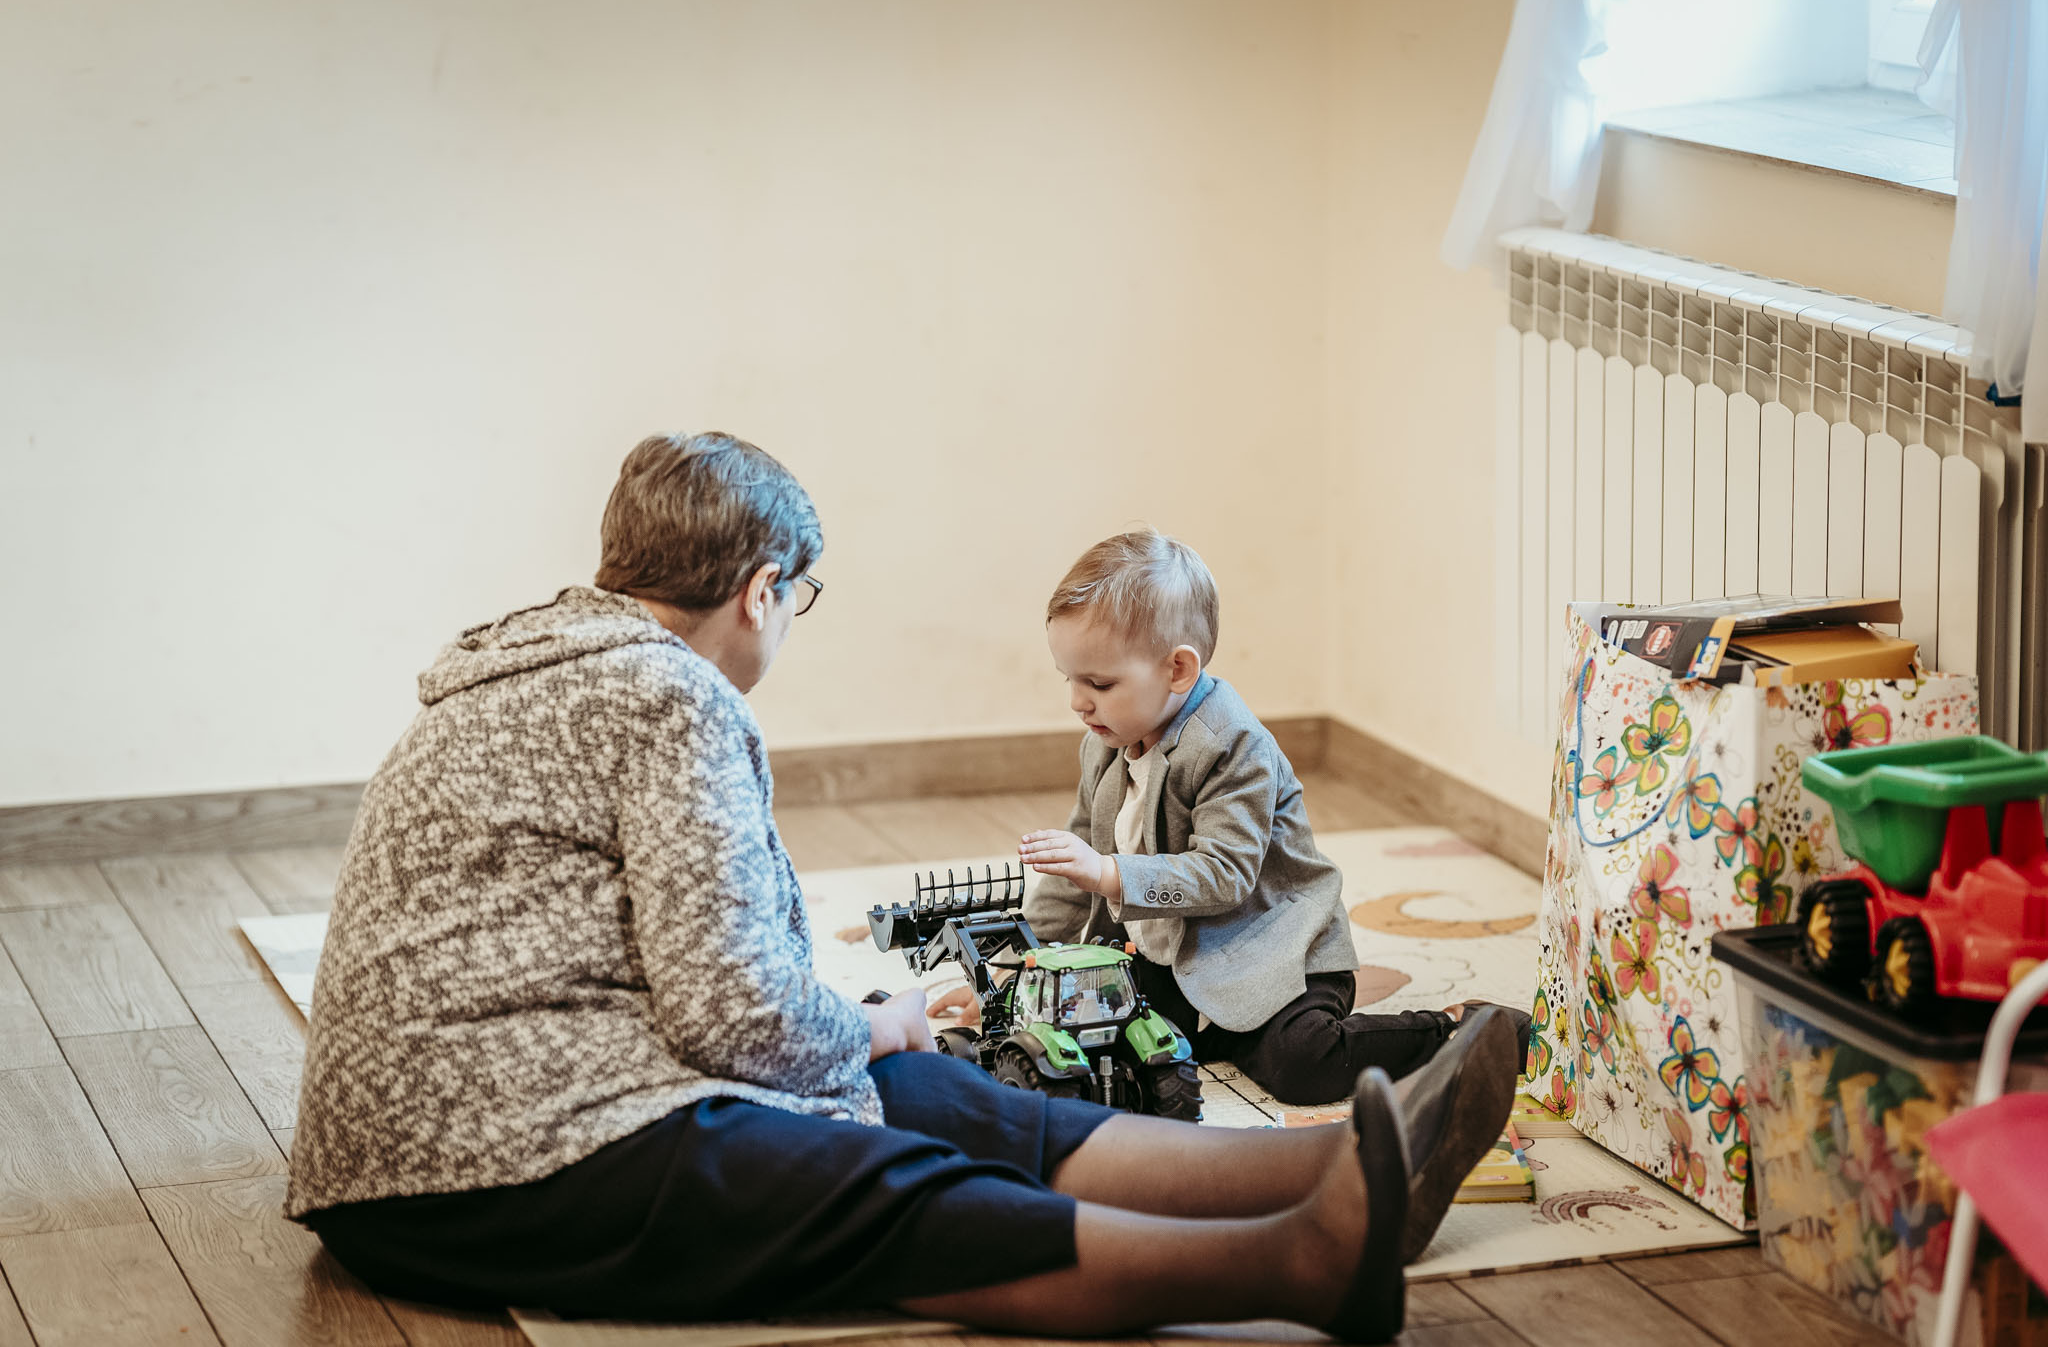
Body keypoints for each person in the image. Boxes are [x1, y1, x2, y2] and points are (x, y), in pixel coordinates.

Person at [284, 433, 1510, 1341]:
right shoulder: (670, 698)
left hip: (480, 1114)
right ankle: (1299, 1257)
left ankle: (1325, 1166)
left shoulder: (543, 660)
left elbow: (682, 966)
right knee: (885, 1183)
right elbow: (733, 1015)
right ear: (761, 587)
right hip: (480, 1162)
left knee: (914, 1084)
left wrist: (867, 1035)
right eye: (797, 597)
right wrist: (867, 1022)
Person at [999, 529, 1525, 1261]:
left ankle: (1458, 1031)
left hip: (1276, 950)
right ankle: (1201, 1022)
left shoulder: (1231, 745)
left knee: (1299, 1064)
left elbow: (1224, 874)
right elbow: (1073, 863)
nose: (1077, 702)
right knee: (1098, 1026)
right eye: (1070, 679)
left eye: (1099, 683)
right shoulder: (1106, 740)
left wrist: (1112, 873)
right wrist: (1023, 964)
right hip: (1174, 945)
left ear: (1178, 668)